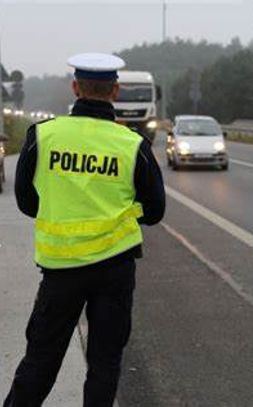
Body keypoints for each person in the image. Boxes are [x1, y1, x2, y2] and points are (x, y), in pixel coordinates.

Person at [4, 53, 165, 406]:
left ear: (75, 87)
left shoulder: (43, 135)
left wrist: (62, 211)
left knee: (40, 361)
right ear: (115, 91)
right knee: (104, 364)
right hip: (114, 271)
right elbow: (155, 212)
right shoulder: (132, 144)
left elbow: (26, 201)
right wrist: (118, 217)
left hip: (60, 271)